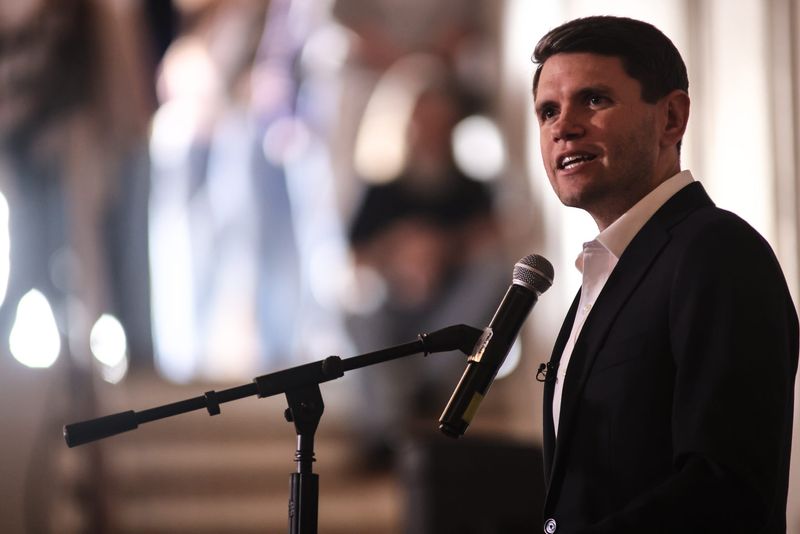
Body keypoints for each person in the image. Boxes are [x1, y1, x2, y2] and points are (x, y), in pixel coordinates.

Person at [532, 16, 798, 534]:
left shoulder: (717, 254)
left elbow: (726, 487)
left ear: (671, 118)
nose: (563, 126)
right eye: (548, 111)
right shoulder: (608, 267)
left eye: (594, 100)